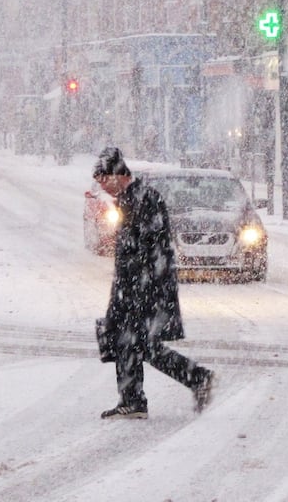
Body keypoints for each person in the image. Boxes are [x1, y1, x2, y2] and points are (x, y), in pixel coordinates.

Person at [92, 147, 215, 420]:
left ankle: (189, 381)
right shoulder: (129, 200)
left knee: (135, 342)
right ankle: (139, 398)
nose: (104, 187)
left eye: (104, 180)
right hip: (135, 285)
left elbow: (150, 248)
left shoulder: (144, 199)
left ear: (117, 174)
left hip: (145, 286)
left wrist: (139, 286)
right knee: (134, 343)